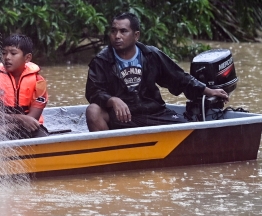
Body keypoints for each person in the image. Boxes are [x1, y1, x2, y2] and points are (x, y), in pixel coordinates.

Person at [85, 13, 230, 131]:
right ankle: (111, 156)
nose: (117, 36)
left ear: (136, 35)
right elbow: (93, 91)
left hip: (153, 113)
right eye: (113, 31)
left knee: (189, 130)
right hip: (123, 117)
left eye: (123, 31)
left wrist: (208, 91)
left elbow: (178, 77)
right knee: (93, 110)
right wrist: (112, 100)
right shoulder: (101, 61)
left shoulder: (151, 55)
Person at [0, 34, 49, 139]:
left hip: (30, 128)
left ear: (27, 58)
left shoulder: (39, 82)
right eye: (4, 53)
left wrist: (9, 126)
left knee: (43, 137)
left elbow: (32, 119)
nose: (7, 57)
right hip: (1, 128)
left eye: (13, 53)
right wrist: (21, 119)